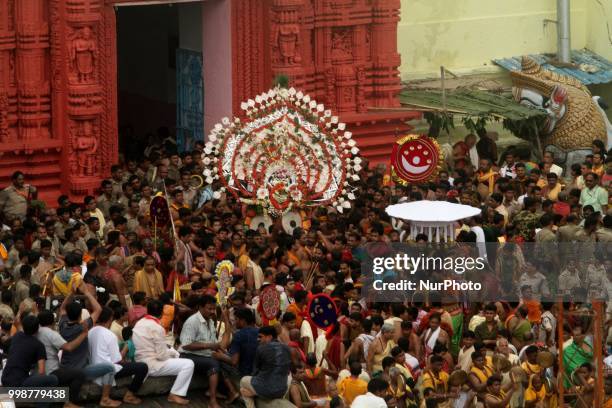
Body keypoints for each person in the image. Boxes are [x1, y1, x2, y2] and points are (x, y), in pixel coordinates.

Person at [178, 295, 238, 408]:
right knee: (213, 362)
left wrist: (223, 352)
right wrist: (209, 345)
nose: (212, 311)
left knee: (220, 358)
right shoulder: (192, 321)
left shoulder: (210, 321)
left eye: (213, 309)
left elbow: (216, 344)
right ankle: (212, 400)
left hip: (203, 354)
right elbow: (186, 345)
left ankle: (228, 391)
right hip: (187, 355)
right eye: (209, 309)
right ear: (200, 307)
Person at [133, 300, 194, 405]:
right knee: (188, 364)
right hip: (152, 364)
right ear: (162, 313)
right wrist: (173, 353)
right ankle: (174, 394)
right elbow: (161, 356)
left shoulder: (139, 322)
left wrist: (170, 352)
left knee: (176, 355)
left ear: (147, 310)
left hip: (140, 360)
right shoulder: (157, 327)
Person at [88, 306, 148, 405]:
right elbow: (117, 360)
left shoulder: (91, 331)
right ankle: (129, 395)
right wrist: (125, 350)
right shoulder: (110, 335)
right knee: (142, 367)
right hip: (106, 370)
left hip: (93, 367)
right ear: (110, 318)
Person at [239, 325, 291, 408]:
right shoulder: (287, 348)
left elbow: (255, 372)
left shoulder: (261, 348)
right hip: (282, 390)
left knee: (243, 380)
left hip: (267, 389)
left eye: (260, 337)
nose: (257, 339)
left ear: (269, 337)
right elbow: (288, 371)